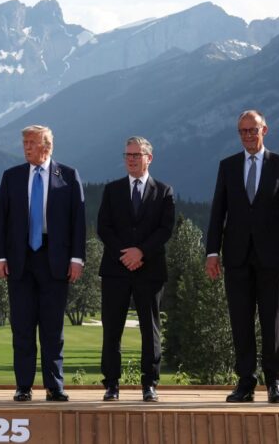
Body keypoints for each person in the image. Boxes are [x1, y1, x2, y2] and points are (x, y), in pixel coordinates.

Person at [205, 110, 279, 404]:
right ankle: (245, 383)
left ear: (265, 130)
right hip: (236, 257)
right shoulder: (227, 166)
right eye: (243, 131)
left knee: (272, 322)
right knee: (240, 322)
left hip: (273, 258)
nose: (248, 135)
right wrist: (212, 252)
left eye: (253, 129)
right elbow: (218, 212)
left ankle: (275, 383)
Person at [0, 125, 86, 402]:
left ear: (47, 146)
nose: (26, 147)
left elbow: (78, 221)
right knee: (22, 326)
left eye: (32, 142)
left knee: (52, 328)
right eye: (24, 142)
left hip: (55, 260)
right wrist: (0, 257)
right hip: (19, 260)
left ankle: (54, 386)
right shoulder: (11, 176)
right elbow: (1, 220)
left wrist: (77, 258)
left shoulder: (68, 176)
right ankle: (23, 386)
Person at [96, 137, 175, 402]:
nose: (131, 159)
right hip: (115, 269)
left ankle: (149, 384)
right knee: (112, 328)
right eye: (127, 155)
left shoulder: (164, 191)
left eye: (136, 155)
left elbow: (165, 229)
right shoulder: (112, 190)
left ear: (149, 158)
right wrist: (126, 254)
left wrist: (141, 252)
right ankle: (111, 384)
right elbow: (103, 227)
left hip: (150, 270)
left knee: (150, 329)